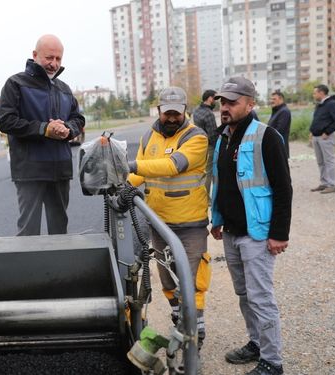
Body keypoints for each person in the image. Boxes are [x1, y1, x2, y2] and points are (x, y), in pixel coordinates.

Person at [210, 77, 292, 375]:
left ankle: (273, 361)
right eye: (223, 102)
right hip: (231, 232)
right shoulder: (223, 137)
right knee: (244, 295)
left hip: (257, 234)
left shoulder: (266, 137)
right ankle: (256, 343)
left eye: (232, 102)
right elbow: (222, 184)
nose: (225, 107)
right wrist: (217, 219)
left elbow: (284, 188)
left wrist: (279, 234)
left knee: (261, 297)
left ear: (250, 103)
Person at [127, 86, 210, 350]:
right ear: (160, 110)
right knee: (166, 278)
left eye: (177, 113)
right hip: (160, 223)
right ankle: (178, 318)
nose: (172, 118)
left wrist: (130, 166)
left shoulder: (196, 137)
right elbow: (139, 174)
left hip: (190, 224)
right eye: (167, 113)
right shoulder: (149, 136)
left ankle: (195, 328)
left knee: (192, 278)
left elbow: (173, 166)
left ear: (185, 110)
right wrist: (121, 184)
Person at [0, 34, 85, 236]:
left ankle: (57, 267)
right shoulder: (15, 83)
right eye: (49, 58)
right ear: (35, 55)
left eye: (58, 59)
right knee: (29, 231)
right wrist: (44, 129)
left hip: (60, 170)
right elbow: (6, 121)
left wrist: (68, 129)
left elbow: (78, 119)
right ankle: (29, 268)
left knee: (59, 229)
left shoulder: (64, 89)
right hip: (30, 172)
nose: (54, 64)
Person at [309, 84, 335, 194]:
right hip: (316, 137)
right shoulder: (320, 105)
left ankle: (332, 185)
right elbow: (318, 120)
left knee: (329, 161)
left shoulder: (332, 104)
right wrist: (311, 131)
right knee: (321, 162)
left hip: (326, 137)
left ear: (321, 93)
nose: (313, 95)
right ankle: (324, 183)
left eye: (315, 93)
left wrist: (327, 132)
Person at [191, 89, 218, 196]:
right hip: (209, 147)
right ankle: (206, 198)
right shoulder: (209, 114)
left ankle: (201, 195)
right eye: (215, 98)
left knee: (202, 173)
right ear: (210, 98)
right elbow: (213, 135)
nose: (216, 101)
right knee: (209, 173)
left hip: (199, 146)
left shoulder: (196, 110)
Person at [267, 91, 291, 158]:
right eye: (271, 99)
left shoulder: (284, 111)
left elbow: (279, 130)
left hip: (280, 146)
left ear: (281, 99)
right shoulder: (277, 110)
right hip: (275, 145)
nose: (271, 101)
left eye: (274, 99)